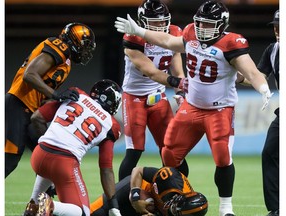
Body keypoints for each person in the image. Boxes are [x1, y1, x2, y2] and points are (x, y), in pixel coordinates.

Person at [114, 1, 273, 215]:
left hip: (220, 110)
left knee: (223, 157)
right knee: (169, 153)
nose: (201, 28)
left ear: (221, 25)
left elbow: (251, 72)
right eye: (199, 23)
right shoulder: (190, 34)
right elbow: (168, 42)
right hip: (191, 106)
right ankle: (175, 197)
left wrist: (263, 88)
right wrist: (139, 31)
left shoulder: (231, 42)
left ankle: (226, 208)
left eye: (207, 25)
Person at [5, 22, 96, 178]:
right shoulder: (59, 47)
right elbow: (30, 75)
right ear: (74, 40)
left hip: (30, 111)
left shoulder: (66, 62)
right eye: (84, 45)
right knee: (9, 160)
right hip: (18, 103)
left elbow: (43, 95)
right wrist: (57, 95)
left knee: (47, 155)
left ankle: (43, 198)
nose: (84, 51)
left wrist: (60, 105)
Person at [23, 79, 123, 216]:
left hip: (39, 154)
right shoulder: (110, 124)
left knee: (33, 208)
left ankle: (33, 207)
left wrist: (48, 142)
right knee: (83, 213)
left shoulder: (76, 94)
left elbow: (36, 118)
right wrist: (113, 205)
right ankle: (48, 205)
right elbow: (106, 169)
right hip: (64, 162)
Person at [118, 0, 188, 181]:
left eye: (163, 21)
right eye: (155, 21)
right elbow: (151, 72)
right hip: (134, 97)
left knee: (171, 148)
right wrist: (178, 82)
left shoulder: (173, 32)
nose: (160, 25)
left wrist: (179, 91)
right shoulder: (132, 38)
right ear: (142, 21)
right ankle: (123, 196)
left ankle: (176, 192)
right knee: (135, 151)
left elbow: (176, 60)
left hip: (158, 97)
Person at [90, 166, 208, 216]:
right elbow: (138, 170)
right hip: (138, 191)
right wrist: (135, 197)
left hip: (152, 209)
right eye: (174, 208)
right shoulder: (170, 179)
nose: (170, 211)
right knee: (94, 213)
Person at [258, 10, 279, 216]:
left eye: (281, 25)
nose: (276, 30)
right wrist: (238, 77)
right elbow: (259, 75)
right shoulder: (273, 50)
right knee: (269, 152)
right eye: (275, 25)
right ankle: (276, 208)